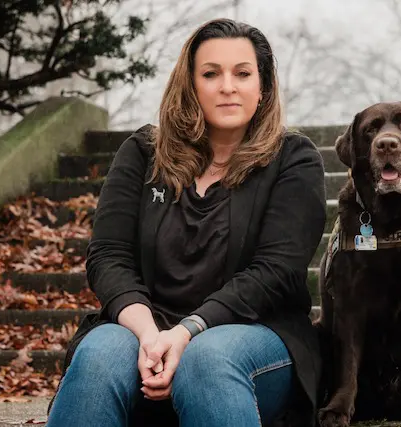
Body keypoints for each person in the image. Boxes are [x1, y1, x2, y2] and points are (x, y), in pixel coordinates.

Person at [46, 18, 326, 427]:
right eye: (211, 74)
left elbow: (275, 273)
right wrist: (149, 336)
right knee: (100, 356)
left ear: (262, 87)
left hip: (253, 335)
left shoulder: (294, 159)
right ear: (191, 85)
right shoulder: (143, 153)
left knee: (206, 357)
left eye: (242, 73)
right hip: (144, 329)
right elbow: (108, 256)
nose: (227, 86)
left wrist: (186, 332)